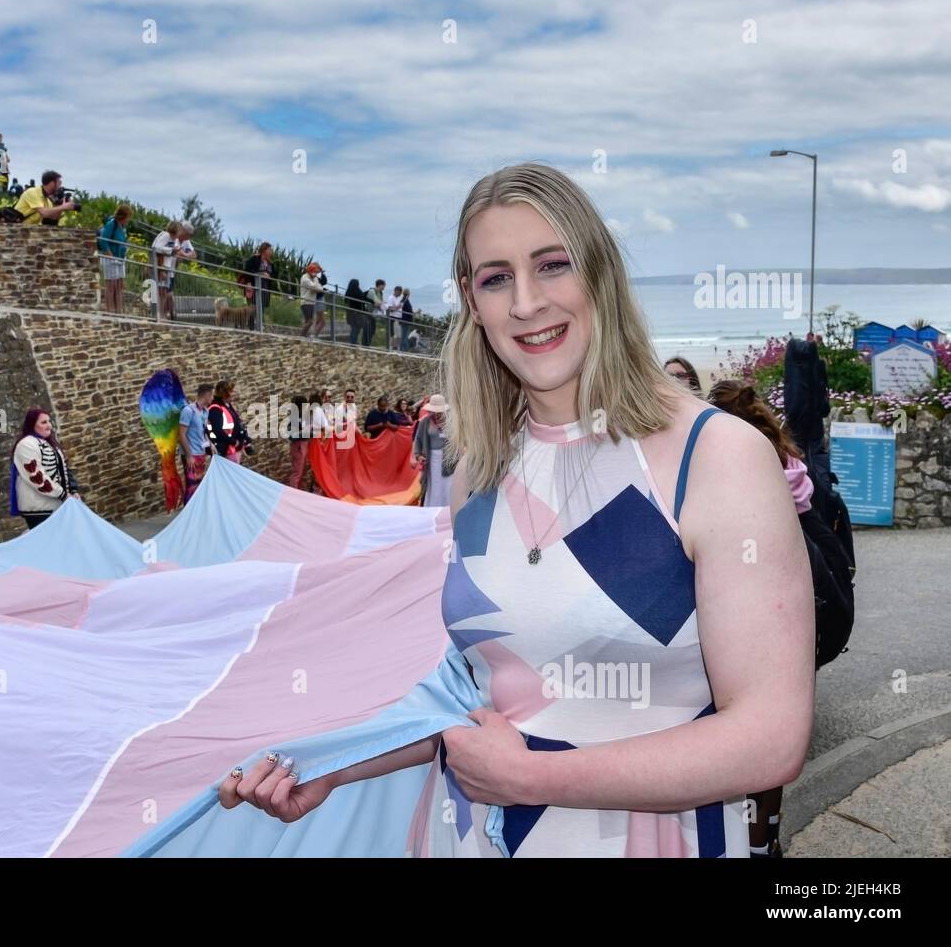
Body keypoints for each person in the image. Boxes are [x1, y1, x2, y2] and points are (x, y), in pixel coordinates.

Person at [218, 162, 814, 858]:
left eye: (551, 265)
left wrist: (532, 775)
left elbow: (770, 736)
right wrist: (330, 768)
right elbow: (477, 696)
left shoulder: (717, 457)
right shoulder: (479, 467)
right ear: (473, 302)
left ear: (600, 275)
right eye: (495, 277)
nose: (526, 302)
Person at [708, 379, 855, 857]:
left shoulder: (734, 474)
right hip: (811, 624)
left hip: (759, 631)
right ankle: (764, 835)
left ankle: (749, 837)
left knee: (743, 735)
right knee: (772, 734)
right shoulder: (794, 469)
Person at [9, 408, 79, 529]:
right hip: (39, 509)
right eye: (43, 422)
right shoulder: (26, 445)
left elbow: (63, 467)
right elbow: (37, 477)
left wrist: (73, 490)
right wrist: (63, 495)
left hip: (57, 505)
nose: (49, 426)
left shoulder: (49, 443)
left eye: (49, 421)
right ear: (32, 425)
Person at [784, 338, 832, 494]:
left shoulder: (793, 373)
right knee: (816, 462)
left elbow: (793, 408)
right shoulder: (817, 368)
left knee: (802, 463)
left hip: (798, 428)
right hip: (815, 427)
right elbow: (825, 409)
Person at [412, 394, 454, 508]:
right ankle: (433, 508)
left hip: (449, 461)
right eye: (434, 411)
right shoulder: (425, 422)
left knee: (448, 485)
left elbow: (459, 441)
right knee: (434, 485)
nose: (437, 414)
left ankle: (448, 509)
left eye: (439, 412)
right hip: (432, 460)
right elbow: (418, 440)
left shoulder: (452, 422)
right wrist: (417, 455)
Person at [178, 383, 214, 503]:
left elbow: (204, 432)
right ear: (207, 395)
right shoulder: (188, 411)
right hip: (191, 455)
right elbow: (181, 434)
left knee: (198, 487)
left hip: (201, 453)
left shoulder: (205, 411)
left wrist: (210, 444)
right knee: (191, 487)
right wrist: (188, 456)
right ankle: (188, 518)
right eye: (212, 395)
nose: (213, 399)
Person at [205, 380, 252, 463]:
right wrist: (234, 442)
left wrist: (245, 439)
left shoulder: (227, 405)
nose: (234, 393)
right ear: (225, 393)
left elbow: (237, 424)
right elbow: (217, 430)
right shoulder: (215, 408)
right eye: (232, 391)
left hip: (234, 448)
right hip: (226, 450)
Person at [97, 204, 132, 313]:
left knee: (119, 285)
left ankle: (119, 310)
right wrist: (110, 256)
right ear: (123, 216)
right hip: (111, 259)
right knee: (111, 286)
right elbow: (103, 240)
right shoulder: (112, 224)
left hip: (120, 259)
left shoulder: (123, 227)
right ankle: (111, 310)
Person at [13, 170, 80, 226]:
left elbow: (53, 218)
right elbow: (44, 213)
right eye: (59, 183)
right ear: (52, 183)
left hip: (26, 232)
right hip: (15, 228)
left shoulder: (47, 200)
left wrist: (61, 205)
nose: (60, 186)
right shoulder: (32, 192)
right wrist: (63, 207)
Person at [286, 393, 311, 488]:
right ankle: (294, 494)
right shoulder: (294, 419)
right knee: (297, 473)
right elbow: (290, 435)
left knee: (301, 472)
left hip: (302, 445)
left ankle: (299, 492)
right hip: (298, 446)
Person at [242, 243, 274, 312]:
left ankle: (259, 322)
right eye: (269, 249)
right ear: (264, 250)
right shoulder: (254, 259)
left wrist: (269, 276)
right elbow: (247, 271)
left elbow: (272, 276)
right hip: (254, 287)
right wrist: (249, 282)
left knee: (261, 309)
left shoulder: (270, 263)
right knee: (251, 309)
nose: (271, 251)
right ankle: (251, 322)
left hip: (265, 289)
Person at [299, 262, 326, 337]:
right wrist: (317, 287)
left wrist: (318, 287)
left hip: (311, 302)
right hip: (305, 302)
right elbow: (315, 287)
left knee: (308, 320)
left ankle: (303, 336)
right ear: (310, 271)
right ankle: (301, 336)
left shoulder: (314, 278)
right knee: (310, 321)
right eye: (314, 272)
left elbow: (320, 287)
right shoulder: (305, 278)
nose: (315, 274)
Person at [344, 278, 369, 345]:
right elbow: (362, 301)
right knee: (356, 329)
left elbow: (346, 301)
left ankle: (353, 342)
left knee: (353, 329)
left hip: (350, 313)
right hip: (358, 314)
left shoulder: (348, 292)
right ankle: (353, 343)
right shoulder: (358, 292)